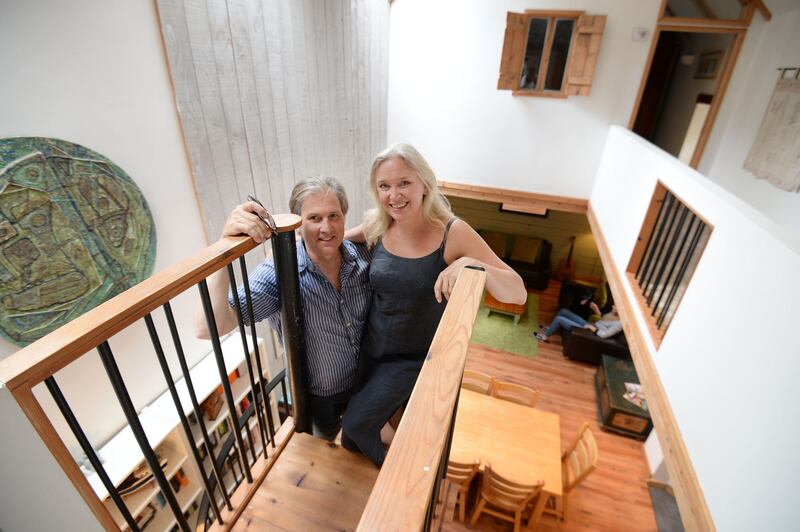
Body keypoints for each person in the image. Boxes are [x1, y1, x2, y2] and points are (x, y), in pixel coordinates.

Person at [340, 143, 527, 466]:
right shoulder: (378, 225)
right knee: (350, 442)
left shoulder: (453, 232)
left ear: (424, 183)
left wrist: (472, 263)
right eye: (384, 186)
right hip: (371, 351)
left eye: (404, 183)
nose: (394, 195)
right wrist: (298, 239)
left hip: (414, 359)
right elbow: (335, 240)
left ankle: (396, 468)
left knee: (356, 423)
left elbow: (517, 292)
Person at [193, 177, 371, 441]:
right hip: (321, 398)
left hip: (368, 381)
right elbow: (208, 327)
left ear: (344, 216)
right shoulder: (281, 274)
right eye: (314, 218)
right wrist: (224, 245)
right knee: (327, 456)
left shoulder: (363, 256)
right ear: (298, 223)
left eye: (334, 215)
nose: (327, 227)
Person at [534, 305, 621, 342]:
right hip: (591, 325)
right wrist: (597, 311)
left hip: (590, 332)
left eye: (615, 305)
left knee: (559, 319)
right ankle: (550, 328)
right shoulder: (614, 314)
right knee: (563, 311)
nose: (612, 305)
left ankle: (545, 336)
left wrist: (593, 329)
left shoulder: (619, 324)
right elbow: (604, 321)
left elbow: (605, 335)